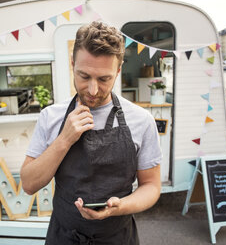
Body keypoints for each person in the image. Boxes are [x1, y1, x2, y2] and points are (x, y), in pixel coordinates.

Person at [20, 21, 162, 245]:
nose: (93, 90)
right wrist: (64, 139)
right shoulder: (51, 117)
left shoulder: (142, 121)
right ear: (72, 63)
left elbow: (151, 186)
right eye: (84, 76)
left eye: (104, 79)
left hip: (118, 238)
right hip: (63, 237)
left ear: (117, 70)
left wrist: (120, 207)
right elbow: (28, 184)